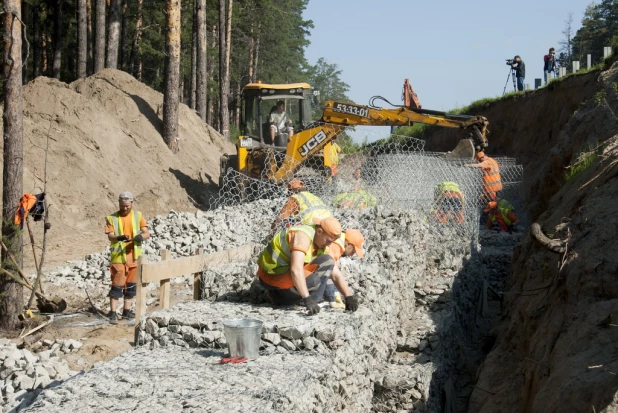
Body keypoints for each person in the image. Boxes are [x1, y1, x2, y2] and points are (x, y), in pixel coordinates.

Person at [257, 216, 358, 315]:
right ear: (319, 231)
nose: (328, 244)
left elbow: (335, 274)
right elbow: (295, 270)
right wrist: (306, 298)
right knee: (313, 281)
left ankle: (313, 301)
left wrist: (348, 296)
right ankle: (279, 298)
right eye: (328, 240)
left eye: (331, 242)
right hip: (271, 274)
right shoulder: (302, 237)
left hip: (284, 270)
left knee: (328, 261)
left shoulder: (321, 242)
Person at [104, 192, 150, 323]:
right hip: (119, 257)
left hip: (134, 257)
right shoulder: (112, 218)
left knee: (131, 286)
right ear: (119, 203)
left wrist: (140, 237)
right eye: (122, 206)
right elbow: (110, 235)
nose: (125, 208)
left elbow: (146, 233)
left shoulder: (138, 216)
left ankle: (126, 311)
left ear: (132, 204)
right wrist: (119, 237)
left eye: (127, 206)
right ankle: (113, 312)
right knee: (117, 284)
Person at [324, 229, 365, 309]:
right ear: (349, 244)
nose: (353, 253)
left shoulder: (339, 241)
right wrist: (348, 297)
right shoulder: (336, 245)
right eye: (354, 250)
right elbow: (333, 274)